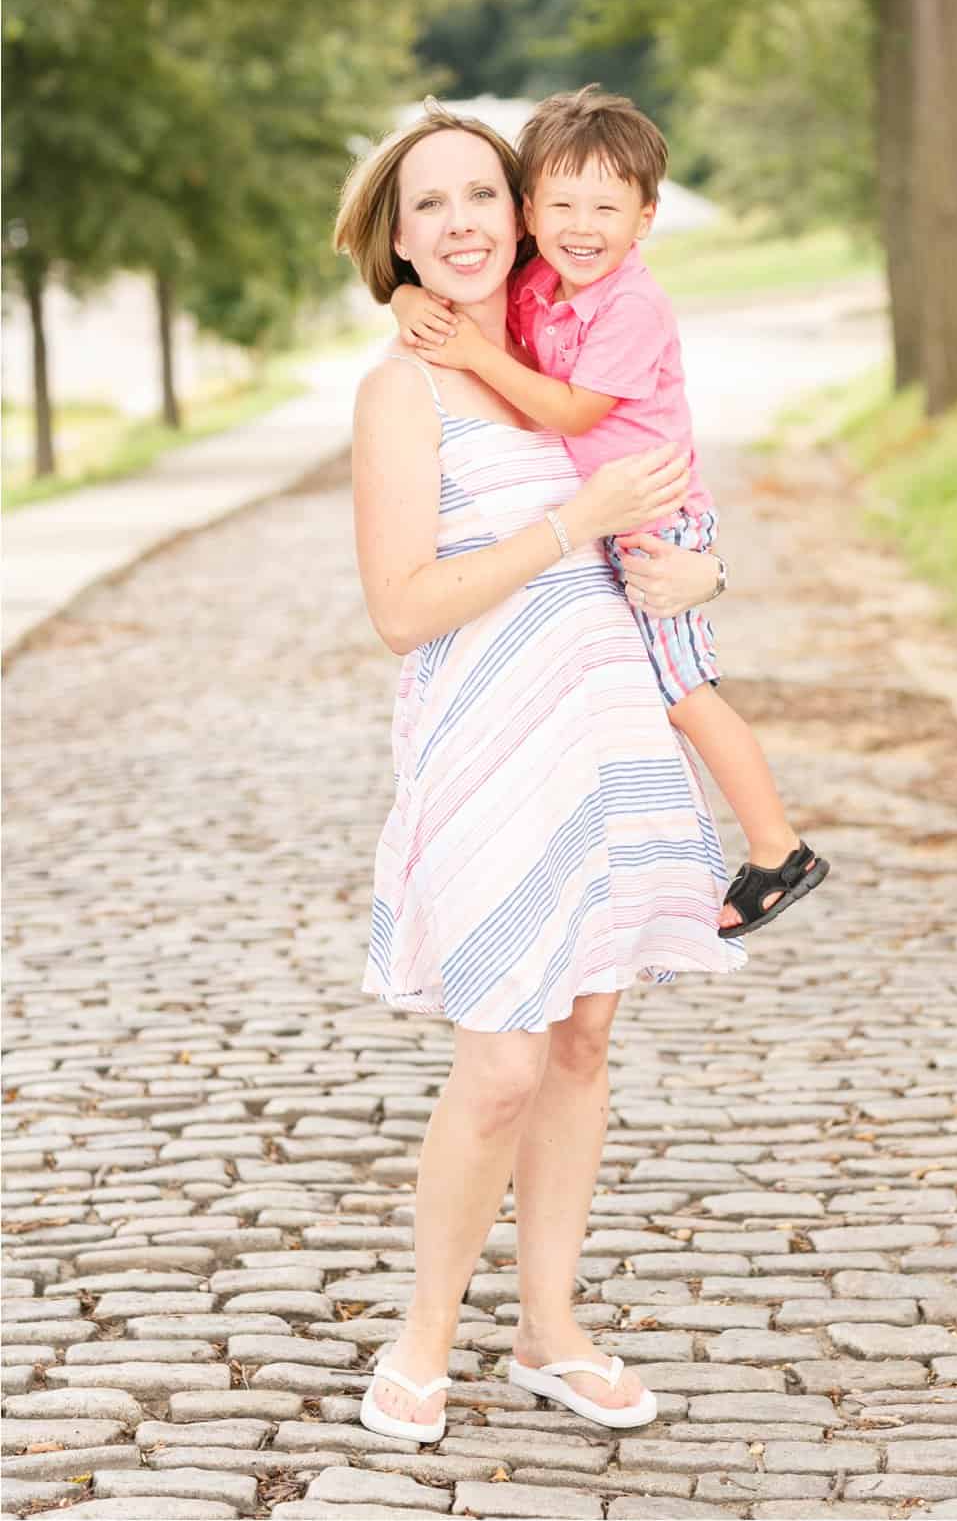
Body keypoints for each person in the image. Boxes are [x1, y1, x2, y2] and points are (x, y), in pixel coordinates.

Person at [333, 107, 747, 1443]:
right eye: (428, 205)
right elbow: (403, 607)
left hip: (605, 721)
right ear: (394, 241)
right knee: (502, 1061)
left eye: (479, 196)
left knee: (580, 1037)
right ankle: (425, 1333)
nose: (459, 223)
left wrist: (700, 570)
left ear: (518, 218)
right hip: (481, 737)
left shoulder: (560, 349)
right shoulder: (402, 390)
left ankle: (549, 1327)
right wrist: (570, 522)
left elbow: (668, 511)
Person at [393, 85, 829, 939]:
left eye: (606, 206)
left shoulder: (632, 303)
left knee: (683, 694)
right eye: (560, 204)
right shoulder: (539, 280)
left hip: (657, 526)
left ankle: (779, 847)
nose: (582, 224)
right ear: (528, 213)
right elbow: (425, 289)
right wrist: (410, 301)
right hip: (613, 520)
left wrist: (476, 351)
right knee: (646, 694)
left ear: (646, 217)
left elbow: (574, 414)